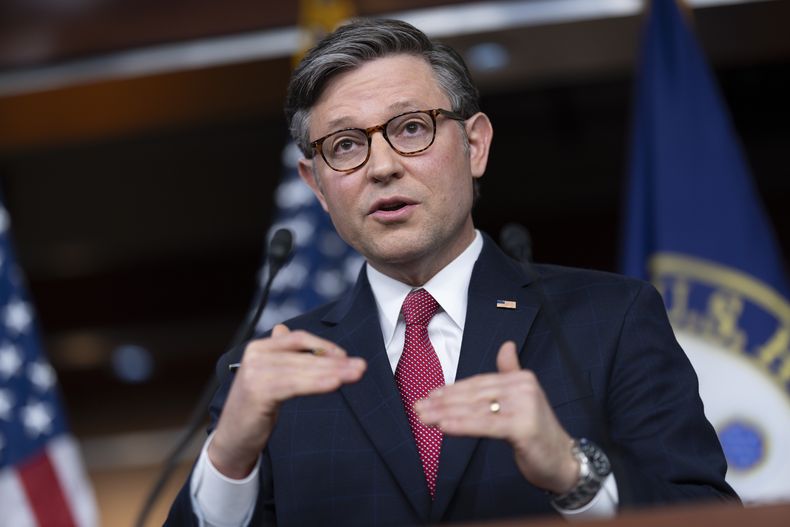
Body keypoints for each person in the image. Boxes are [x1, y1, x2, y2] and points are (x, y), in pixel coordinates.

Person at [167, 18, 737, 526]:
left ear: (475, 145)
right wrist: (228, 459)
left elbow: (709, 514)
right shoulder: (272, 368)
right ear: (316, 186)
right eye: (345, 145)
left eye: (411, 128)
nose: (383, 167)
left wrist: (573, 473)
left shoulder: (609, 318)